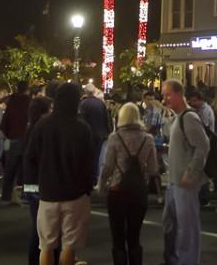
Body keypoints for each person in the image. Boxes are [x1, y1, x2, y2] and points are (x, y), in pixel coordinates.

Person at [32, 83, 95, 265]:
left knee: (46, 245)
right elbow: (89, 162)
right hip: (75, 194)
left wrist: (34, 185)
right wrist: (87, 188)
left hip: (48, 192)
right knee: (70, 244)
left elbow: (31, 157)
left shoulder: (42, 125)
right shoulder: (82, 127)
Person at [99, 101, 158, 265]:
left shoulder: (115, 138)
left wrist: (101, 185)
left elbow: (108, 167)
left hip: (117, 190)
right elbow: (153, 168)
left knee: (118, 238)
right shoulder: (148, 138)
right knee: (134, 237)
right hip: (138, 191)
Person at [161, 79, 209, 265]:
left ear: (179, 94)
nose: (165, 99)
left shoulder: (188, 117)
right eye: (164, 95)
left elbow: (203, 146)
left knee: (187, 227)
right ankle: (173, 258)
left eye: (168, 94)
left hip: (184, 182)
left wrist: (191, 172)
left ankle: (187, 261)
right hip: (174, 182)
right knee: (170, 223)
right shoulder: (179, 117)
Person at [23, 96, 54, 265]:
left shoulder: (31, 127)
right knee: (41, 228)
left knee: (39, 226)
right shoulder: (41, 129)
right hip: (39, 183)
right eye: (50, 109)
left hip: (31, 183)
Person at [0, 81, 31, 203]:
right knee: (28, 171)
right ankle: (28, 194)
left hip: (12, 139)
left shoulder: (11, 102)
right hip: (26, 139)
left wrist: (8, 135)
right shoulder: (29, 102)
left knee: (9, 170)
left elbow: (4, 123)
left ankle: (6, 196)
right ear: (27, 89)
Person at [79, 83, 112, 180]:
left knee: (88, 156)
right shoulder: (101, 103)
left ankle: (90, 176)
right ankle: (95, 175)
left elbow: (82, 120)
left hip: (88, 135)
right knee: (98, 157)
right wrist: (108, 131)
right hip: (101, 134)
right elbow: (107, 119)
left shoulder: (83, 104)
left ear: (86, 92)